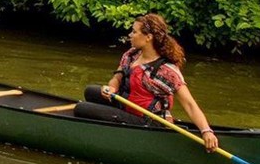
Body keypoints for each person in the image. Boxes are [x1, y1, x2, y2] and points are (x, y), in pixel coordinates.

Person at [76, 13, 219, 152]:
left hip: (146, 118)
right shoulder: (132, 54)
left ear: (148, 37)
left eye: (134, 32)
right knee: (89, 91)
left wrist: (206, 131)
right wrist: (112, 88)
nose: (130, 35)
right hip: (125, 103)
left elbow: (189, 104)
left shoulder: (166, 71)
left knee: (81, 108)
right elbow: (118, 76)